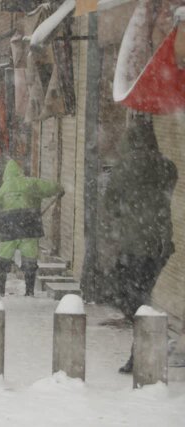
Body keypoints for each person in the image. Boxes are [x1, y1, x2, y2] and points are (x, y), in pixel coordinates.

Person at [104, 117, 177, 374]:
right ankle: (142, 351)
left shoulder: (124, 168)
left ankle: (151, 342)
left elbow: (110, 206)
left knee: (127, 296)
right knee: (141, 295)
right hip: (159, 245)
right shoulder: (168, 167)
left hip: (133, 246)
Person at [0, 159, 64, 297]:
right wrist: (58, 189)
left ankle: (0, 289)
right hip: (29, 224)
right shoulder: (29, 183)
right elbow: (47, 187)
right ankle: (29, 290)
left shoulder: (3, 188)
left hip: (9, 225)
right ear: (19, 172)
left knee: (3, 257)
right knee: (30, 257)